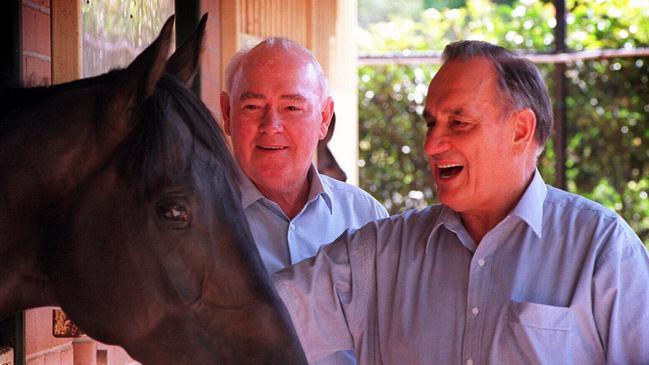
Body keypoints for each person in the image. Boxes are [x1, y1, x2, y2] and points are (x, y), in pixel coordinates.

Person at [273, 40, 649, 364]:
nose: (432, 145)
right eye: (430, 123)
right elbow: (251, 317)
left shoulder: (602, 250)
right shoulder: (380, 256)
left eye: (458, 123)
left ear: (520, 130)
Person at [220, 37, 388, 364]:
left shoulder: (366, 217)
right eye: (253, 107)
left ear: (324, 117)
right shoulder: (193, 222)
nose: (272, 126)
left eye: (292, 107)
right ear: (227, 113)